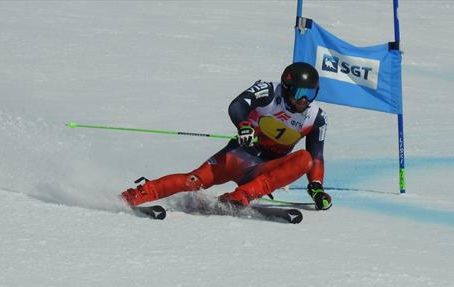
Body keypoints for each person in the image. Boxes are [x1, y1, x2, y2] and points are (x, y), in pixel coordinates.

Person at [121, 62, 332, 210]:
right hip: (238, 156)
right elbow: (237, 105)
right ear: (287, 89)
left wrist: (316, 187)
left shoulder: (315, 117)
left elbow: (316, 157)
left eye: (311, 94)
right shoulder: (268, 91)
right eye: (300, 94)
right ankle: (137, 195)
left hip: (263, 171)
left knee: (303, 159)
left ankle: (241, 196)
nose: (305, 100)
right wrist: (244, 126)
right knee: (193, 180)